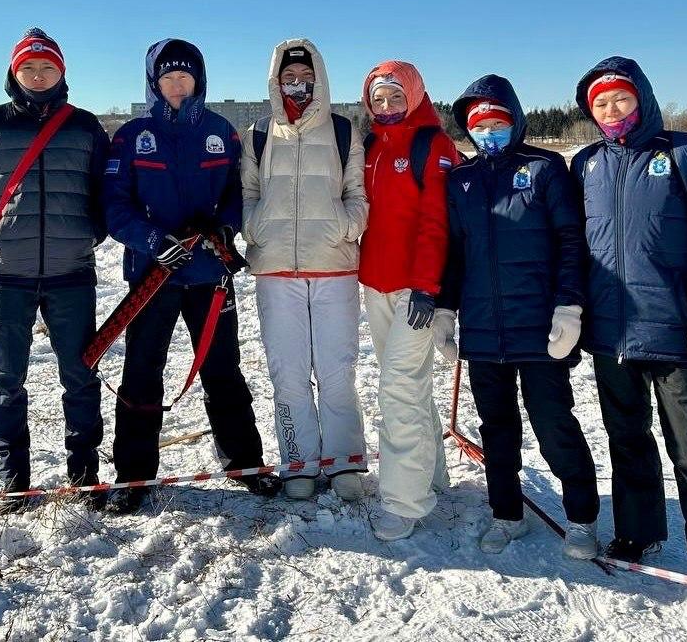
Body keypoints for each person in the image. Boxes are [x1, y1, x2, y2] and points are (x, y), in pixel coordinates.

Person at [570, 56, 687, 626]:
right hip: (611, 336)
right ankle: (637, 533)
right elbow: (577, 252)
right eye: (600, 104)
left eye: (620, 99)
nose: (611, 111)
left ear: (643, 99)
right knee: (627, 441)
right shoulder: (586, 165)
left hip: (674, 333)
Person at [102, 38, 280, 513]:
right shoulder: (132, 135)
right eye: (167, 77)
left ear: (198, 81)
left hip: (208, 274)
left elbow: (241, 193)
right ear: (153, 82)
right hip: (154, 276)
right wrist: (155, 242)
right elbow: (114, 207)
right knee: (142, 372)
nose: (176, 85)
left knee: (223, 370)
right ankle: (133, 475)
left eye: (184, 76)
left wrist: (224, 225)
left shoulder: (222, 131)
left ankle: (244, 461)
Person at [0, 27, 109, 513]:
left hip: (71, 273)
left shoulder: (85, 126)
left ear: (62, 72)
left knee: (80, 376)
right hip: (7, 276)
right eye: (28, 68)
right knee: (6, 379)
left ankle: (84, 472)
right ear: (14, 73)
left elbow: (108, 192)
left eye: (47, 66)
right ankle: (14, 478)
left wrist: (90, 233)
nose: (38, 75)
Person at [436, 75, 600, 557]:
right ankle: (505, 513)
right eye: (479, 124)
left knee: (553, 422)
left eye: (497, 121)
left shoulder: (546, 168)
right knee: (496, 426)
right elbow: (454, 251)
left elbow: (572, 241)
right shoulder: (461, 180)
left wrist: (569, 306)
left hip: (539, 325)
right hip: (484, 330)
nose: (489, 130)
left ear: (515, 119)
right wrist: (446, 309)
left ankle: (582, 518)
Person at [241, 39, 369, 501]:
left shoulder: (342, 131)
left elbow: (358, 192)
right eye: (289, 79)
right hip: (276, 271)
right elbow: (248, 193)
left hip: (334, 267)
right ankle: (298, 459)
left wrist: (346, 226)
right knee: (288, 370)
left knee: (336, 369)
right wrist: (254, 228)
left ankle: (344, 460)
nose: (298, 85)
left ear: (320, 80)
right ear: (276, 83)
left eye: (306, 78)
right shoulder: (258, 133)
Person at [359, 60, 459, 541]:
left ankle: (404, 501)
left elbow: (438, 223)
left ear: (415, 96)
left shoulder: (432, 145)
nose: (386, 106)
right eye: (378, 99)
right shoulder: (370, 146)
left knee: (398, 389)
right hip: (375, 284)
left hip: (414, 291)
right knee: (409, 384)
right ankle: (432, 475)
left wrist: (427, 287)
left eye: (395, 97)